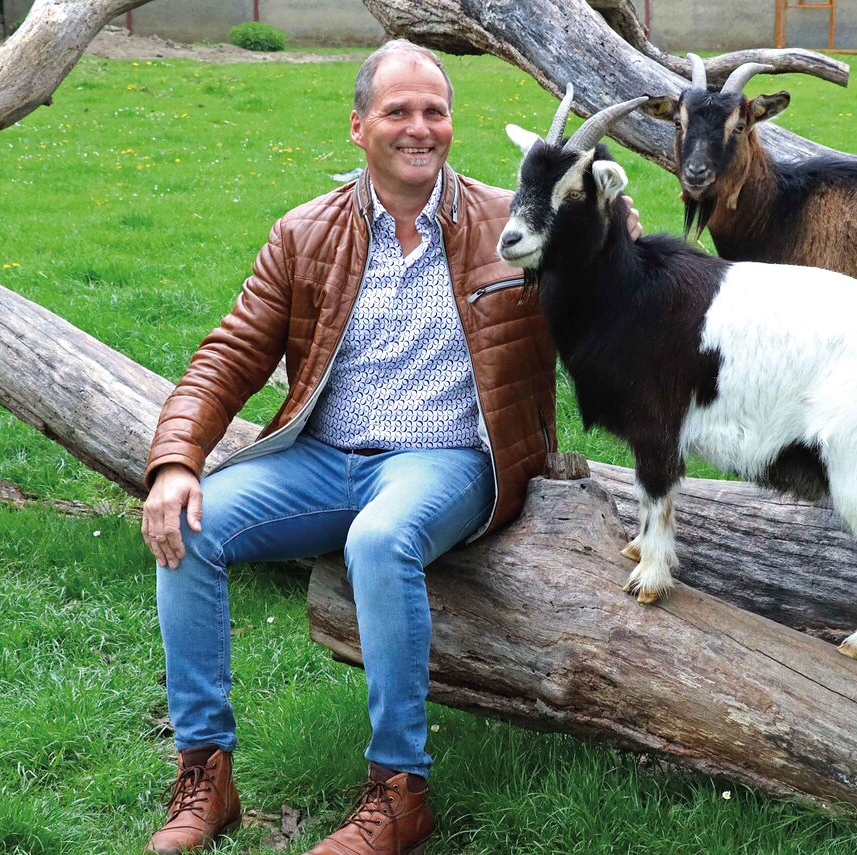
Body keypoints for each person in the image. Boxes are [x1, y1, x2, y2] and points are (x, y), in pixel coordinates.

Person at [140, 40, 639, 854]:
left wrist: (610, 240)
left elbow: (610, 298)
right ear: (358, 127)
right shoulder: (305, 233)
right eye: (398, 112)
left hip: (450, 458)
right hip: (323, 458)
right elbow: (228, 353)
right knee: (189, 526)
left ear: (451, 124)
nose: (420, 128)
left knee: (380, 536)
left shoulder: (510, 223)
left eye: (434, 111)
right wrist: (173, 462)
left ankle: (399, 790)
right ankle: (205, 773)